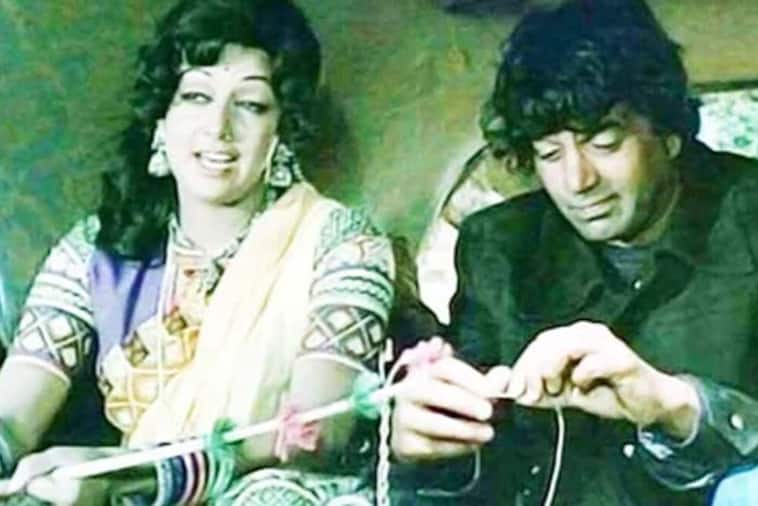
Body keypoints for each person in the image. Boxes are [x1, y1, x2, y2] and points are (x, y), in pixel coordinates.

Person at [0, 0, 395, 504]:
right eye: (196, 96)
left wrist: (137, 473)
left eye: (250, 105)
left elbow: (314, 432)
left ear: (282, 130)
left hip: (273, 488)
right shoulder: (97, 252)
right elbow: (13, 415)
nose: (218, 128)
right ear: (161, 119)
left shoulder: (342, 243)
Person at [391, 0, 758, 504]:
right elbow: (483, 467)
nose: (577, 181)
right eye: (549, 153)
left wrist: (676, 407)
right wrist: (426, 450)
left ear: (669, 133)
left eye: (604, 144)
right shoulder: (498, 249)